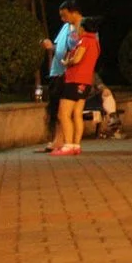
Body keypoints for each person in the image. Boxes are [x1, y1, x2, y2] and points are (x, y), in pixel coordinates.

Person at [52, 10, 100, 155]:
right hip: (86, 81)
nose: (77, 29)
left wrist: (67, 62)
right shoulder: (96, 43)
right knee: (77, 114)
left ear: (83, 28)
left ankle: (67, 144)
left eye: (79, 27)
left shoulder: (84, 41)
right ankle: (76, 145)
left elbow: (78, 59)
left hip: (75, 80)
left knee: (64, 114)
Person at [40, 2, 85, 151]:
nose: (62, 19)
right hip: (56, 71)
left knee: (64, 111)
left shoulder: (84, 27)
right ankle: (58, 140)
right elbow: (58, 46)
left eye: (64, 15)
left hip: (69, 74)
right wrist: (50, 46)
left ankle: (68, 142)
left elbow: (80, 50)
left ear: (74, 12)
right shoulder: (66, 27)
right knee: (55, 108)